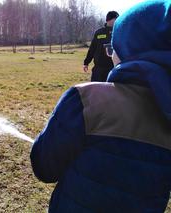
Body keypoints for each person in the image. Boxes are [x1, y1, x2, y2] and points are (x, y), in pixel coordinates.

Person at [31, 1, 171, 212]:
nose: (111, 53)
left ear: (128, 49)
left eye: (114, 48)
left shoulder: (86, 99)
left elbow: (45, 167)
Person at [83, 11, 119, 82]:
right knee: (96, 90)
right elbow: (92, 49)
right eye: (116, 19)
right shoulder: (99, 33)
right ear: (110, 19)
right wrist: (86, 62)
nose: (118, 21)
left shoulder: (119, 32)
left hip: (113, 68)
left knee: (110, 91)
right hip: (98, 69)